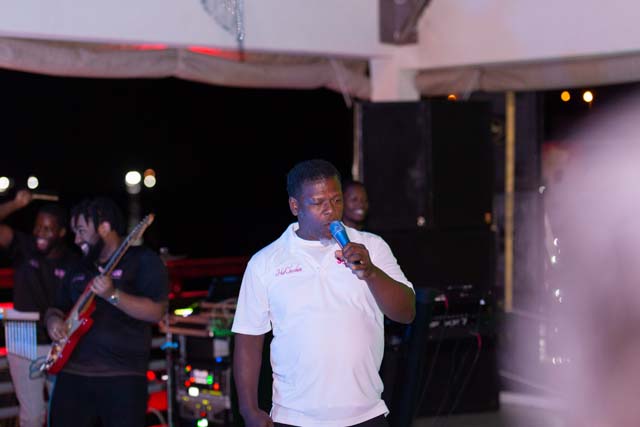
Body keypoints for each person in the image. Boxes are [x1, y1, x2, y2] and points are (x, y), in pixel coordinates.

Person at [232, 159, 415, 427]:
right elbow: (248, 339)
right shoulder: (265, 262)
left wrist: (371, 272)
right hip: (294, 417)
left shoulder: (371, 248)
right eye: (318, 203)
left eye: (336, 200)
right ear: (295, 206)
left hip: (366, 414)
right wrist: (248, 410)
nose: (330, 210)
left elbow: (406, 313)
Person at [44, 196, 169, 427]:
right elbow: (55, 307)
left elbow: (156, 312)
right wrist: (53, 321)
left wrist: (113, 295)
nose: (76, 239)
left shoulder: (143, 260)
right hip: (72, 377)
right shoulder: (77, 266)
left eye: (81, 231)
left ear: (104, 227)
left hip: (122, 378)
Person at [0, 189, 77, 427]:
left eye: (47, 229)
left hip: (59, 340)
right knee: (32, 415)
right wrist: (15, 205)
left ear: (61, 232)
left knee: (63, 411)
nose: (40, 233)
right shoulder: (24, 246)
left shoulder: (73, 261)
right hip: (22, 336)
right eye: (37, 227)